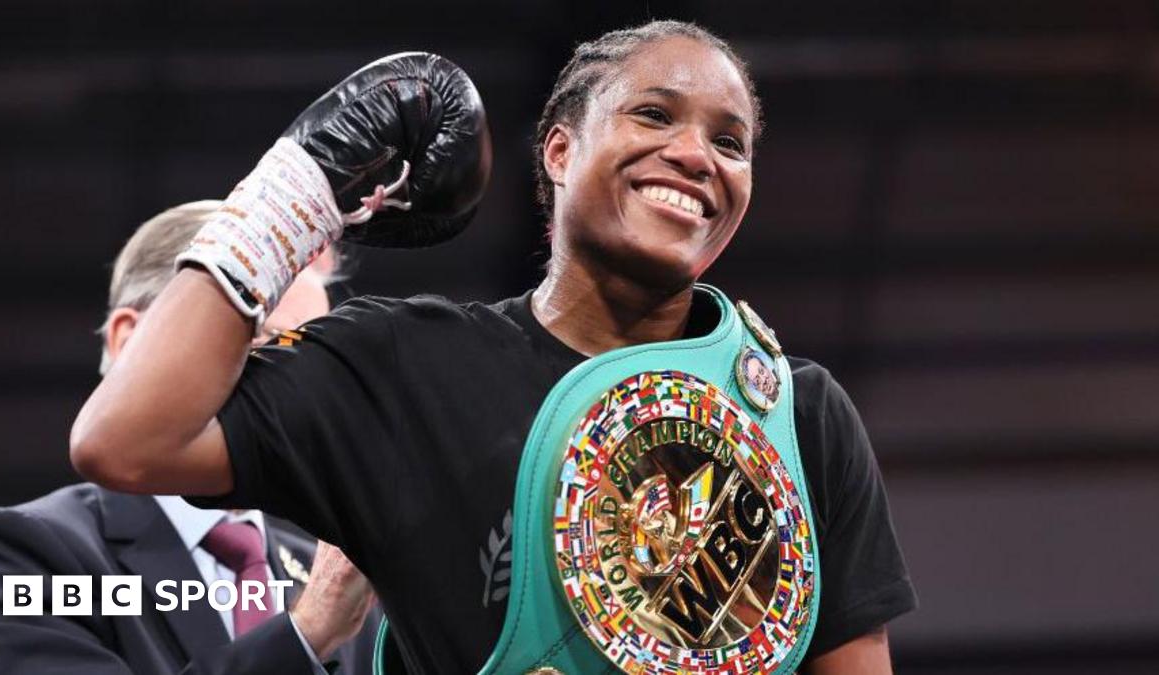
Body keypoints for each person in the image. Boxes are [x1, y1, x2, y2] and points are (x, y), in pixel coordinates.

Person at [70, 21, 917, 674]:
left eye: (730, 142)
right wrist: (304, 184)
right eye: (655, 114)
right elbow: (128, 438)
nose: (696, 155)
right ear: (557, 149)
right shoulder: (406, 369)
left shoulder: (797, 412)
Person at [0, 202, 380, 675]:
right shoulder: (30, 555)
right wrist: (305, 635)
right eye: (268, 341)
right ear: (130, 342)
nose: (305, 390)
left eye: (320, 360)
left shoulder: (335, 583)